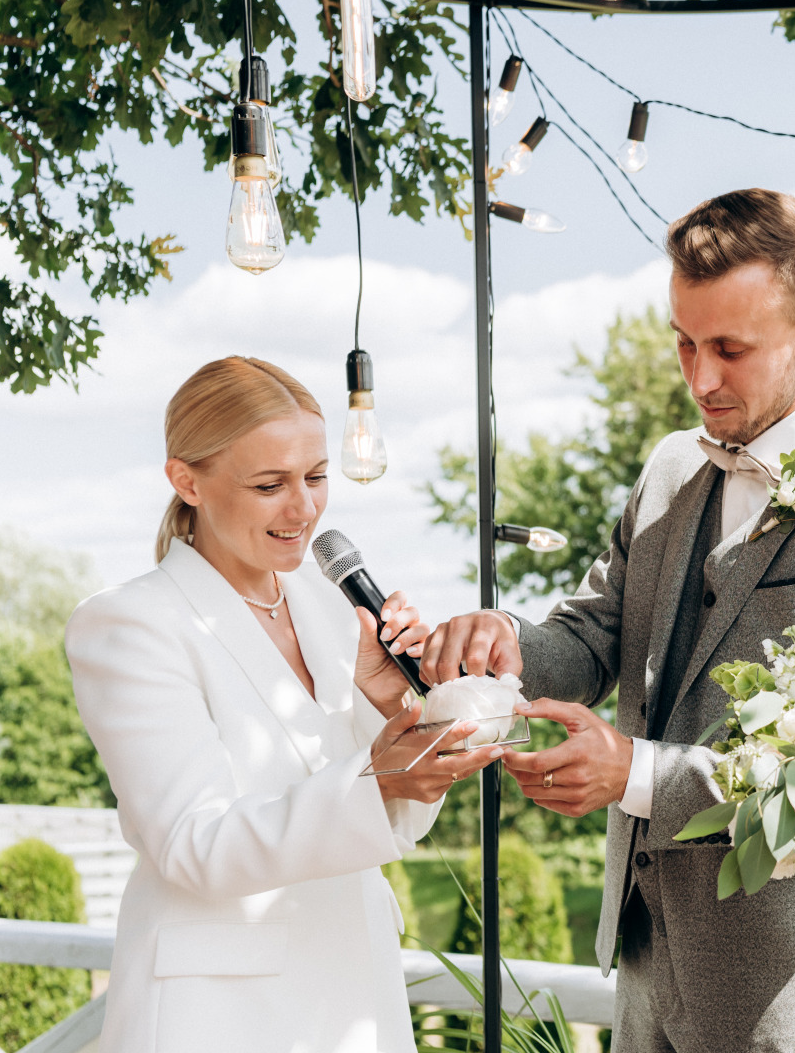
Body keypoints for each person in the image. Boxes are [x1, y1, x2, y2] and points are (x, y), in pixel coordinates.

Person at [421, 189, 795, 1053]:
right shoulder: (672, 467)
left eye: (730, 349)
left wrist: (633, 773)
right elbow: (596, 633)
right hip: (642, 977)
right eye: (684, 342)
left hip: (786, 997)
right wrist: (505, 647)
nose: (700, 377)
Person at [65, 357, 497, 1053]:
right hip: (218, 1017)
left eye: (316, 477)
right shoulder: (129, 625)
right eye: (270, 485)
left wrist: (397, 710)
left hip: (356, 998)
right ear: (186, 481)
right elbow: (192, 843)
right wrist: (375, 778)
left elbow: (394, 819)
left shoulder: (330, 608)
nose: (303, 509)